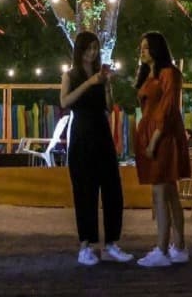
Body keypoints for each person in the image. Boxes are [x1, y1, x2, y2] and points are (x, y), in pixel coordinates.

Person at [59, 31, 133, 267]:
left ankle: (111, 243)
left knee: (112, 188)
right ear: (80, 50)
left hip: (102, 132)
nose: (92, 53)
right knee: (85, 190)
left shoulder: (101, 75)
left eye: (95, 48)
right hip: (81, 133)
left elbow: (109, 108)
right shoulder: (70, 75)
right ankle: (85, 246)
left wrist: (108, 86)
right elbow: (65, 102)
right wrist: (89, 83)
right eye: (88, 48)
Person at [134, 31, 191, 268]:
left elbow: (167, 109)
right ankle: (177, 246)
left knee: (161, 191)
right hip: (153, 132)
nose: (142, 51)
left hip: (163, 136)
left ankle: (162, 249)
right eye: (142, 47)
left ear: (156, 49)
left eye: (146, 47)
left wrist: (154, 140)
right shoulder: (150, 74)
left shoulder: (169, 73)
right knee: (169, 192)